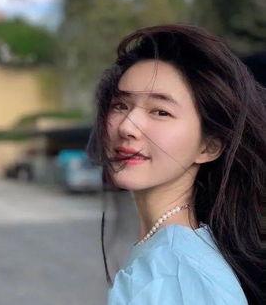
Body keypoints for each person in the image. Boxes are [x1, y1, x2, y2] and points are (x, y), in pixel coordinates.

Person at [87, 25, 266, 304]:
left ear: (208, 147)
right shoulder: (175, 253)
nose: (127, 126)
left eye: (160, 111)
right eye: (121, 105)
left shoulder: (176, 272)